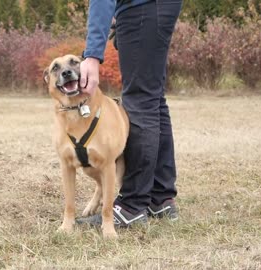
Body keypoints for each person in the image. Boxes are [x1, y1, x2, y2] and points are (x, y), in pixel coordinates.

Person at [76, 0, 182, 227]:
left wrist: (92, 55)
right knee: (153, 99)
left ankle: (132, 206)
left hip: (142, 9)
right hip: (158, 7)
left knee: (140, 100)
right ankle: (160, 198)